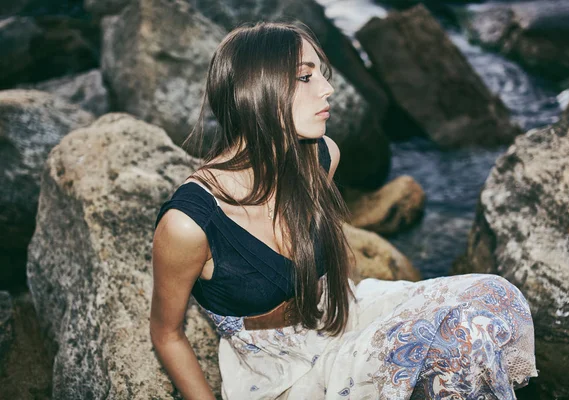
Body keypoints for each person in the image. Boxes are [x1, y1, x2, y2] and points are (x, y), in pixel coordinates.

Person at [150, 20, 538, 400]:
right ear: (257, 90)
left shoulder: (321, 157)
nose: (328, 88)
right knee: (451, 342)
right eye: (306, 77)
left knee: (489, 299)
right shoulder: (189, 222)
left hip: (340, 318)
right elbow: (167, 334)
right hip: (281, 373)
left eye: (321, 73)